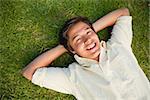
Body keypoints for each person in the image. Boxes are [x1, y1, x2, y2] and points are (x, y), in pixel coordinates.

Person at [21, 8, 150, 100]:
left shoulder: (118, 45)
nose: (87, 40)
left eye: (88, 33)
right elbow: (29, 72)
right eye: (78, 39)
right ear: (72, 50)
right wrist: (64, 47)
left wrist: (90, 30)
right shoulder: (73, 77)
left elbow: (123, 13)